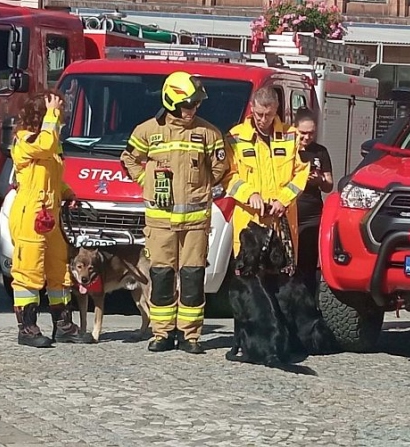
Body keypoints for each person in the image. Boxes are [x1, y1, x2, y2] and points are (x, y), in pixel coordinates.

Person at [121, 71, 228, 354]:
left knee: (192, 277)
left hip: (194, 223)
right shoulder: (147, 132)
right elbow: (130, 159)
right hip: (160, 223)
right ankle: (162, 333)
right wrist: (147, 182)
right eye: (188, 104)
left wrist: (202, 188)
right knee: (161, 276)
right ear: (171, 102)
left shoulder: (208, 133)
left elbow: (219, 169)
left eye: (195, 105)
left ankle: (190, 335)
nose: (193, 110)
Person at [9, 91, 93, 347]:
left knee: (58, 269)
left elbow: (51, 175)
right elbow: (43, 148)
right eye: (58, 111)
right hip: (29, 215)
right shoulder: (25, 140)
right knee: (29, 272)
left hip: (50, 214)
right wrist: (52, 115)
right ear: (42, 115)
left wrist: (67, 192)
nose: (62, 117)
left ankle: (63, 325)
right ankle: (28, 328)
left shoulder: (50, 138)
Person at [223, 86, 309, 264]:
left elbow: (301, 174)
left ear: (276, 110)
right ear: (252, 108)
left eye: (268, 115)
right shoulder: (235, 137)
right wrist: (249, 194)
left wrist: (283, 200)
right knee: (248, 280)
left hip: (281, 221)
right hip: (250, 221)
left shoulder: (291, 136)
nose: (263, 120)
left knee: (282, 281)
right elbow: (228, 176)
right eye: (259, 114)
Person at [294, 107, 333, 295]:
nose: (307, 138)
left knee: (308, 262)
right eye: (303, 133)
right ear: (294, 130)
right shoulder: (287, 150)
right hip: (291, 211)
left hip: (313, 213)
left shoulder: (320, 152)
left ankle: (309, 300)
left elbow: (329, 184)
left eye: (311, 133)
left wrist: (319, 180)